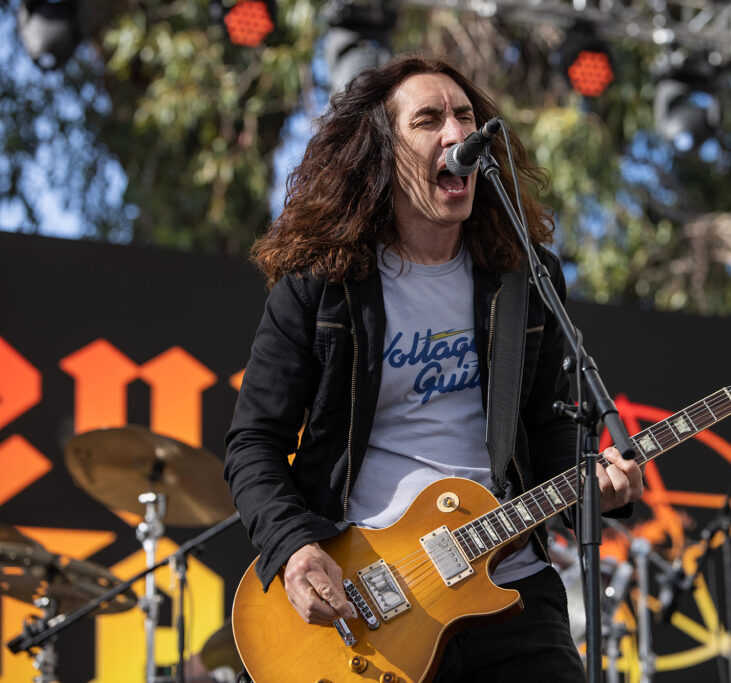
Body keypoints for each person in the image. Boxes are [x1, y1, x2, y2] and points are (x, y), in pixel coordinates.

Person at [224, 53, 644, 682]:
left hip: (510, 589)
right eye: (429, 120)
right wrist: (294, 549)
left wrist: (597, 486)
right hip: (375, 604)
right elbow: (253, 442)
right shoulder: (323, 284)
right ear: (384, 153)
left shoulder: (525, 278)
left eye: (466, 116)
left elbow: (547, 431)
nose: (456, 134)